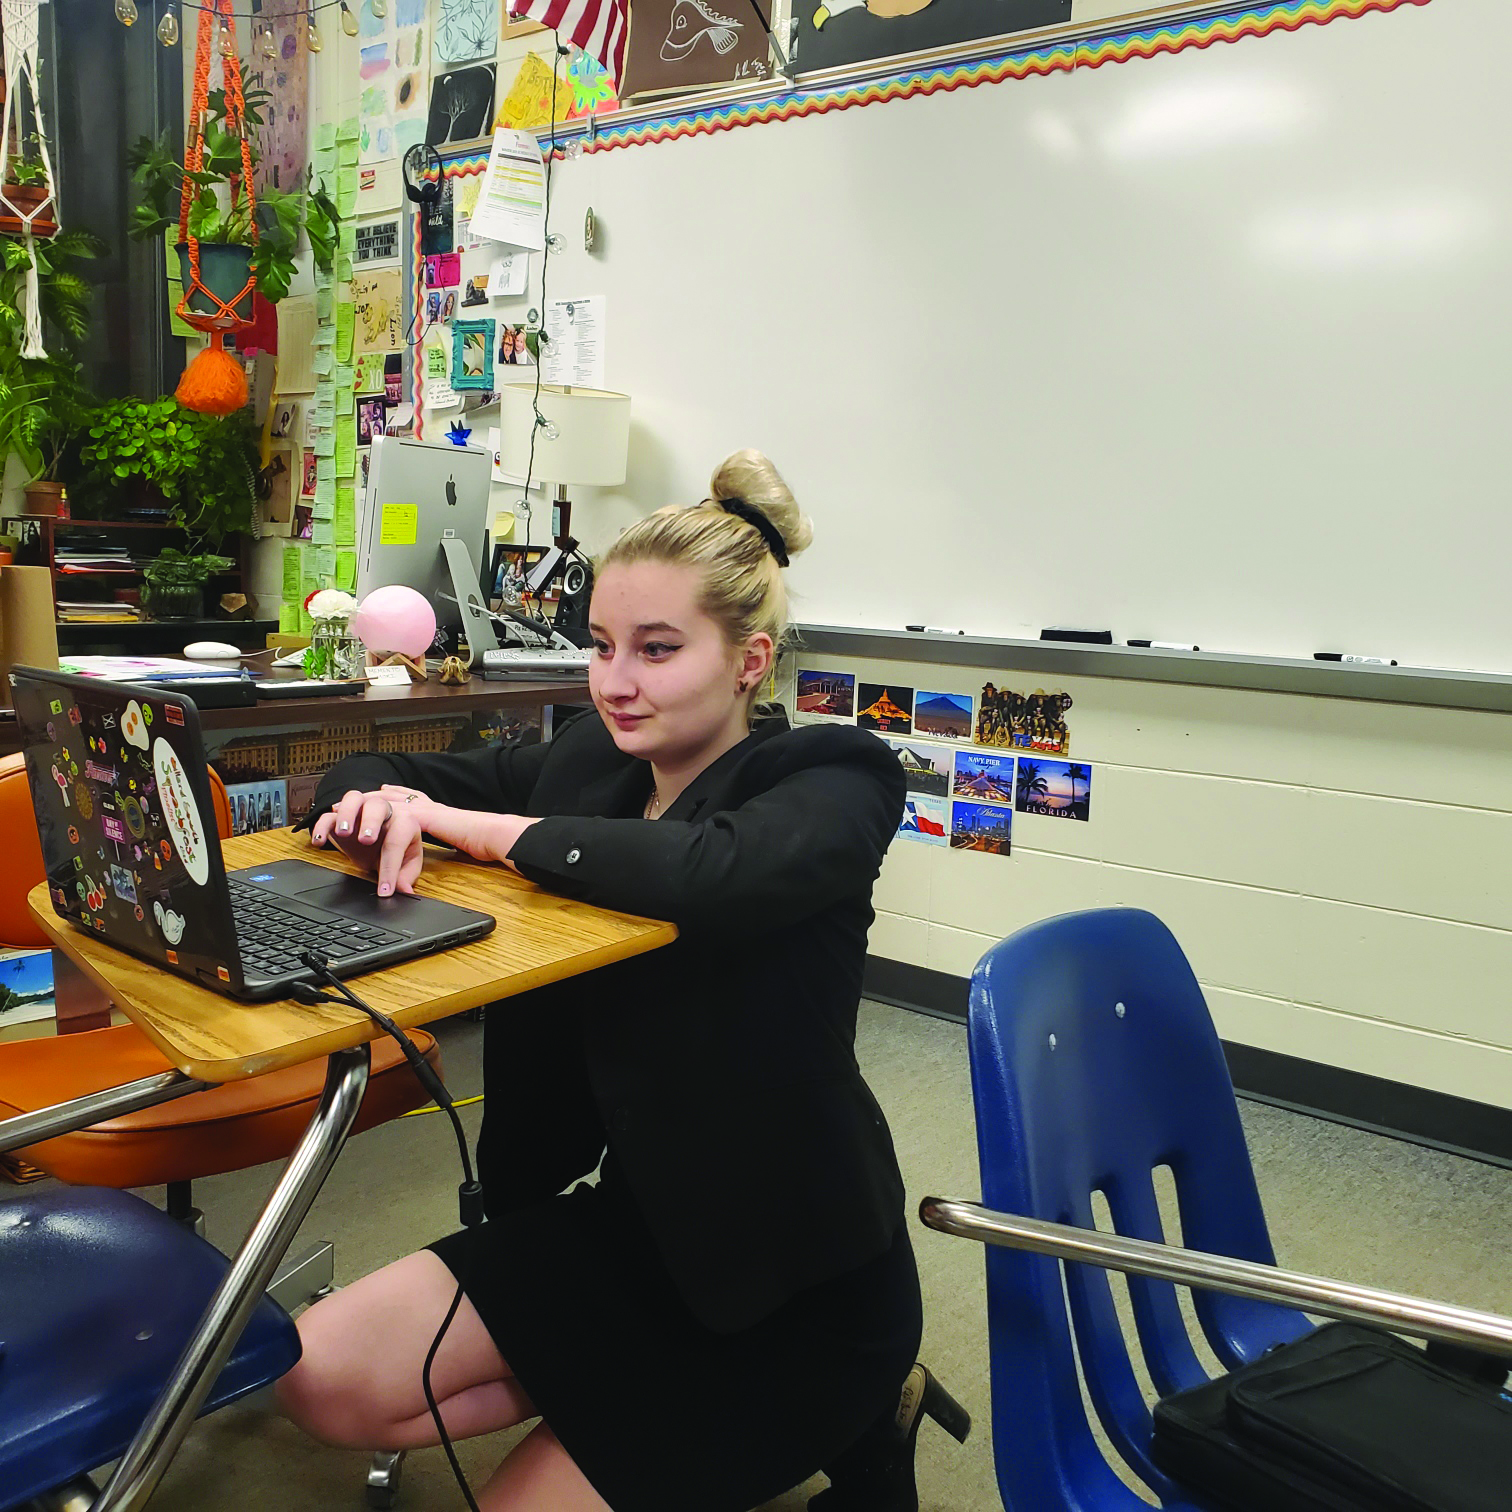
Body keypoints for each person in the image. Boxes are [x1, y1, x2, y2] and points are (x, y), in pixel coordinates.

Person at [274, 450, 968, 1511]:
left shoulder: (833, 778)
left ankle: (863, 1403)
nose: (615, 681)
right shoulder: (591, 761)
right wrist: (374, 804)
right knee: (317, 1380)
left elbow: (707, 873)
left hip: (794, 1273)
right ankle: (616, 1408)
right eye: (600, 646)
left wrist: (478, 828)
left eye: (656, 649)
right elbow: (376, 768)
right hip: (634, 1227)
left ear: (749, 660)